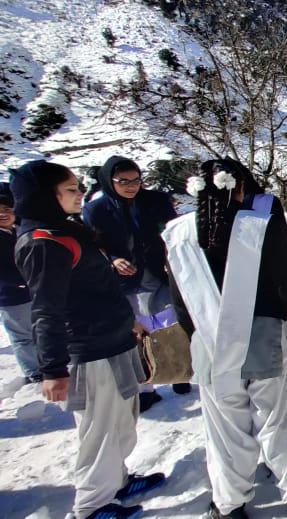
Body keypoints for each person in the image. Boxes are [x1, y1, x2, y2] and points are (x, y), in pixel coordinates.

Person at [164, 159, 287, 518]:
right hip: (263, 332)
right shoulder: (256, 225)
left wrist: (199, 340)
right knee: (278, 419)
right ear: (238, 188)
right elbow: (286, 282)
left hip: (209, 342)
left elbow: (178, 298)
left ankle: (230, 504)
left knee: (225, 432)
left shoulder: (177, 234)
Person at [12, 160, 165, 519]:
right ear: (45, 196)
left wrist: (130, 322)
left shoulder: (67, 230)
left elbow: (100, 288)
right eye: (70, 190)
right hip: (88, 350)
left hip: (114, 339)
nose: (80, 194)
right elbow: (47, 310)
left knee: (121, 422)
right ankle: (91, 506)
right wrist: (52, 368)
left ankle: (118, 480)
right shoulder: (42, 243)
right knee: (99, 430)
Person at [82, 155, 188, 410]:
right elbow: (93, 246)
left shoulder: (156, 201)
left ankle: (180, 372)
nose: (131, 186)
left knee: (173, 325)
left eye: (136, 180)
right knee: (136, 333)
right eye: (123, 181)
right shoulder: (96, 210)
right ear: (109, 181)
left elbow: (173, 231)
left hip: (159, 273)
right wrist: (113, 260)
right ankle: (146, 386)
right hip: (124, 281)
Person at [0, 182, 39, 384]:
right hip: (11, 295)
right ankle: (33, 371)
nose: (3, 214)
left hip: (36, 290)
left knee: (40, 329)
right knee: (23, 336)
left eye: (7, 208)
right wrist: (21, 281)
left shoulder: (22, 229)